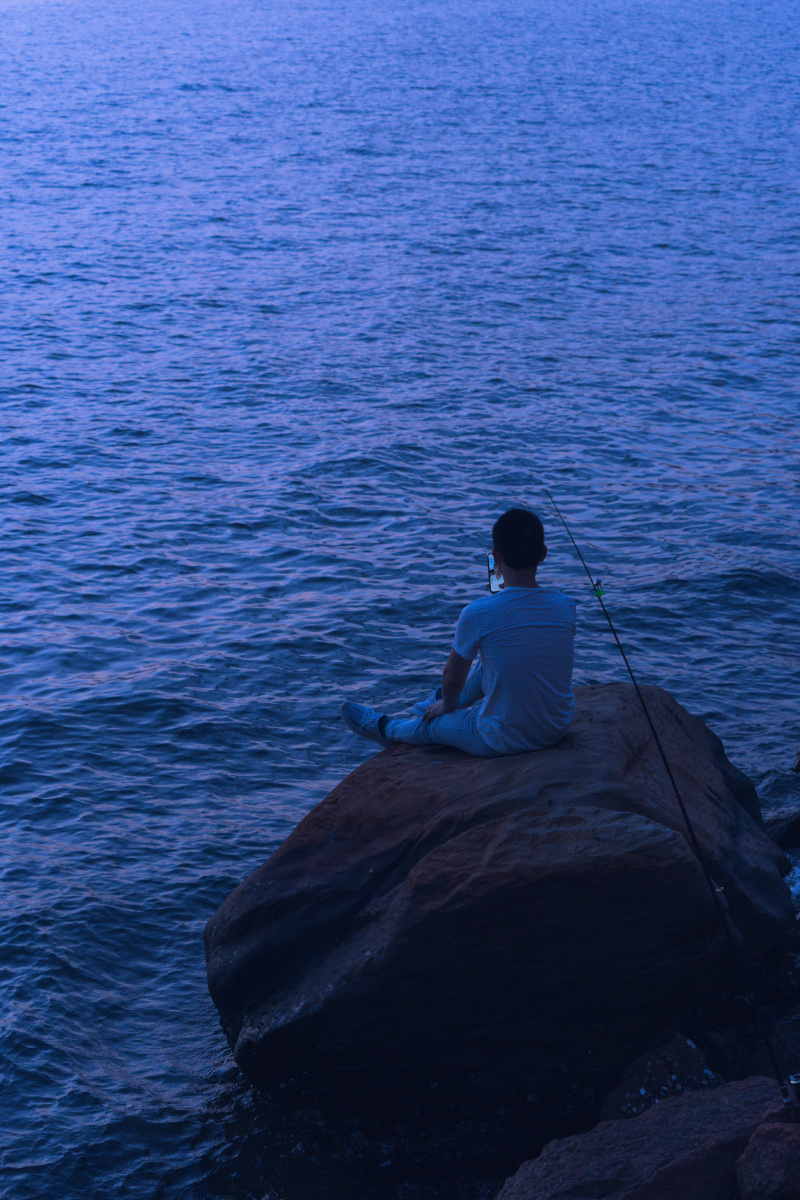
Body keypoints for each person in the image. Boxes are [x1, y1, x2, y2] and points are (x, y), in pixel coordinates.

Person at [340, 507, 576, 757]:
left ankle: (387, 729)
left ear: (496, 555)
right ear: (543, 554)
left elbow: (452, 672)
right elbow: (524, 638)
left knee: (434, 724)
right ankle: (437, 700)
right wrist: (503, 598)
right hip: (556, 728)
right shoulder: (566, 605)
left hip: (503, 739)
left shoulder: (478, 612)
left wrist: (448, 707)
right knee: (492, 661)